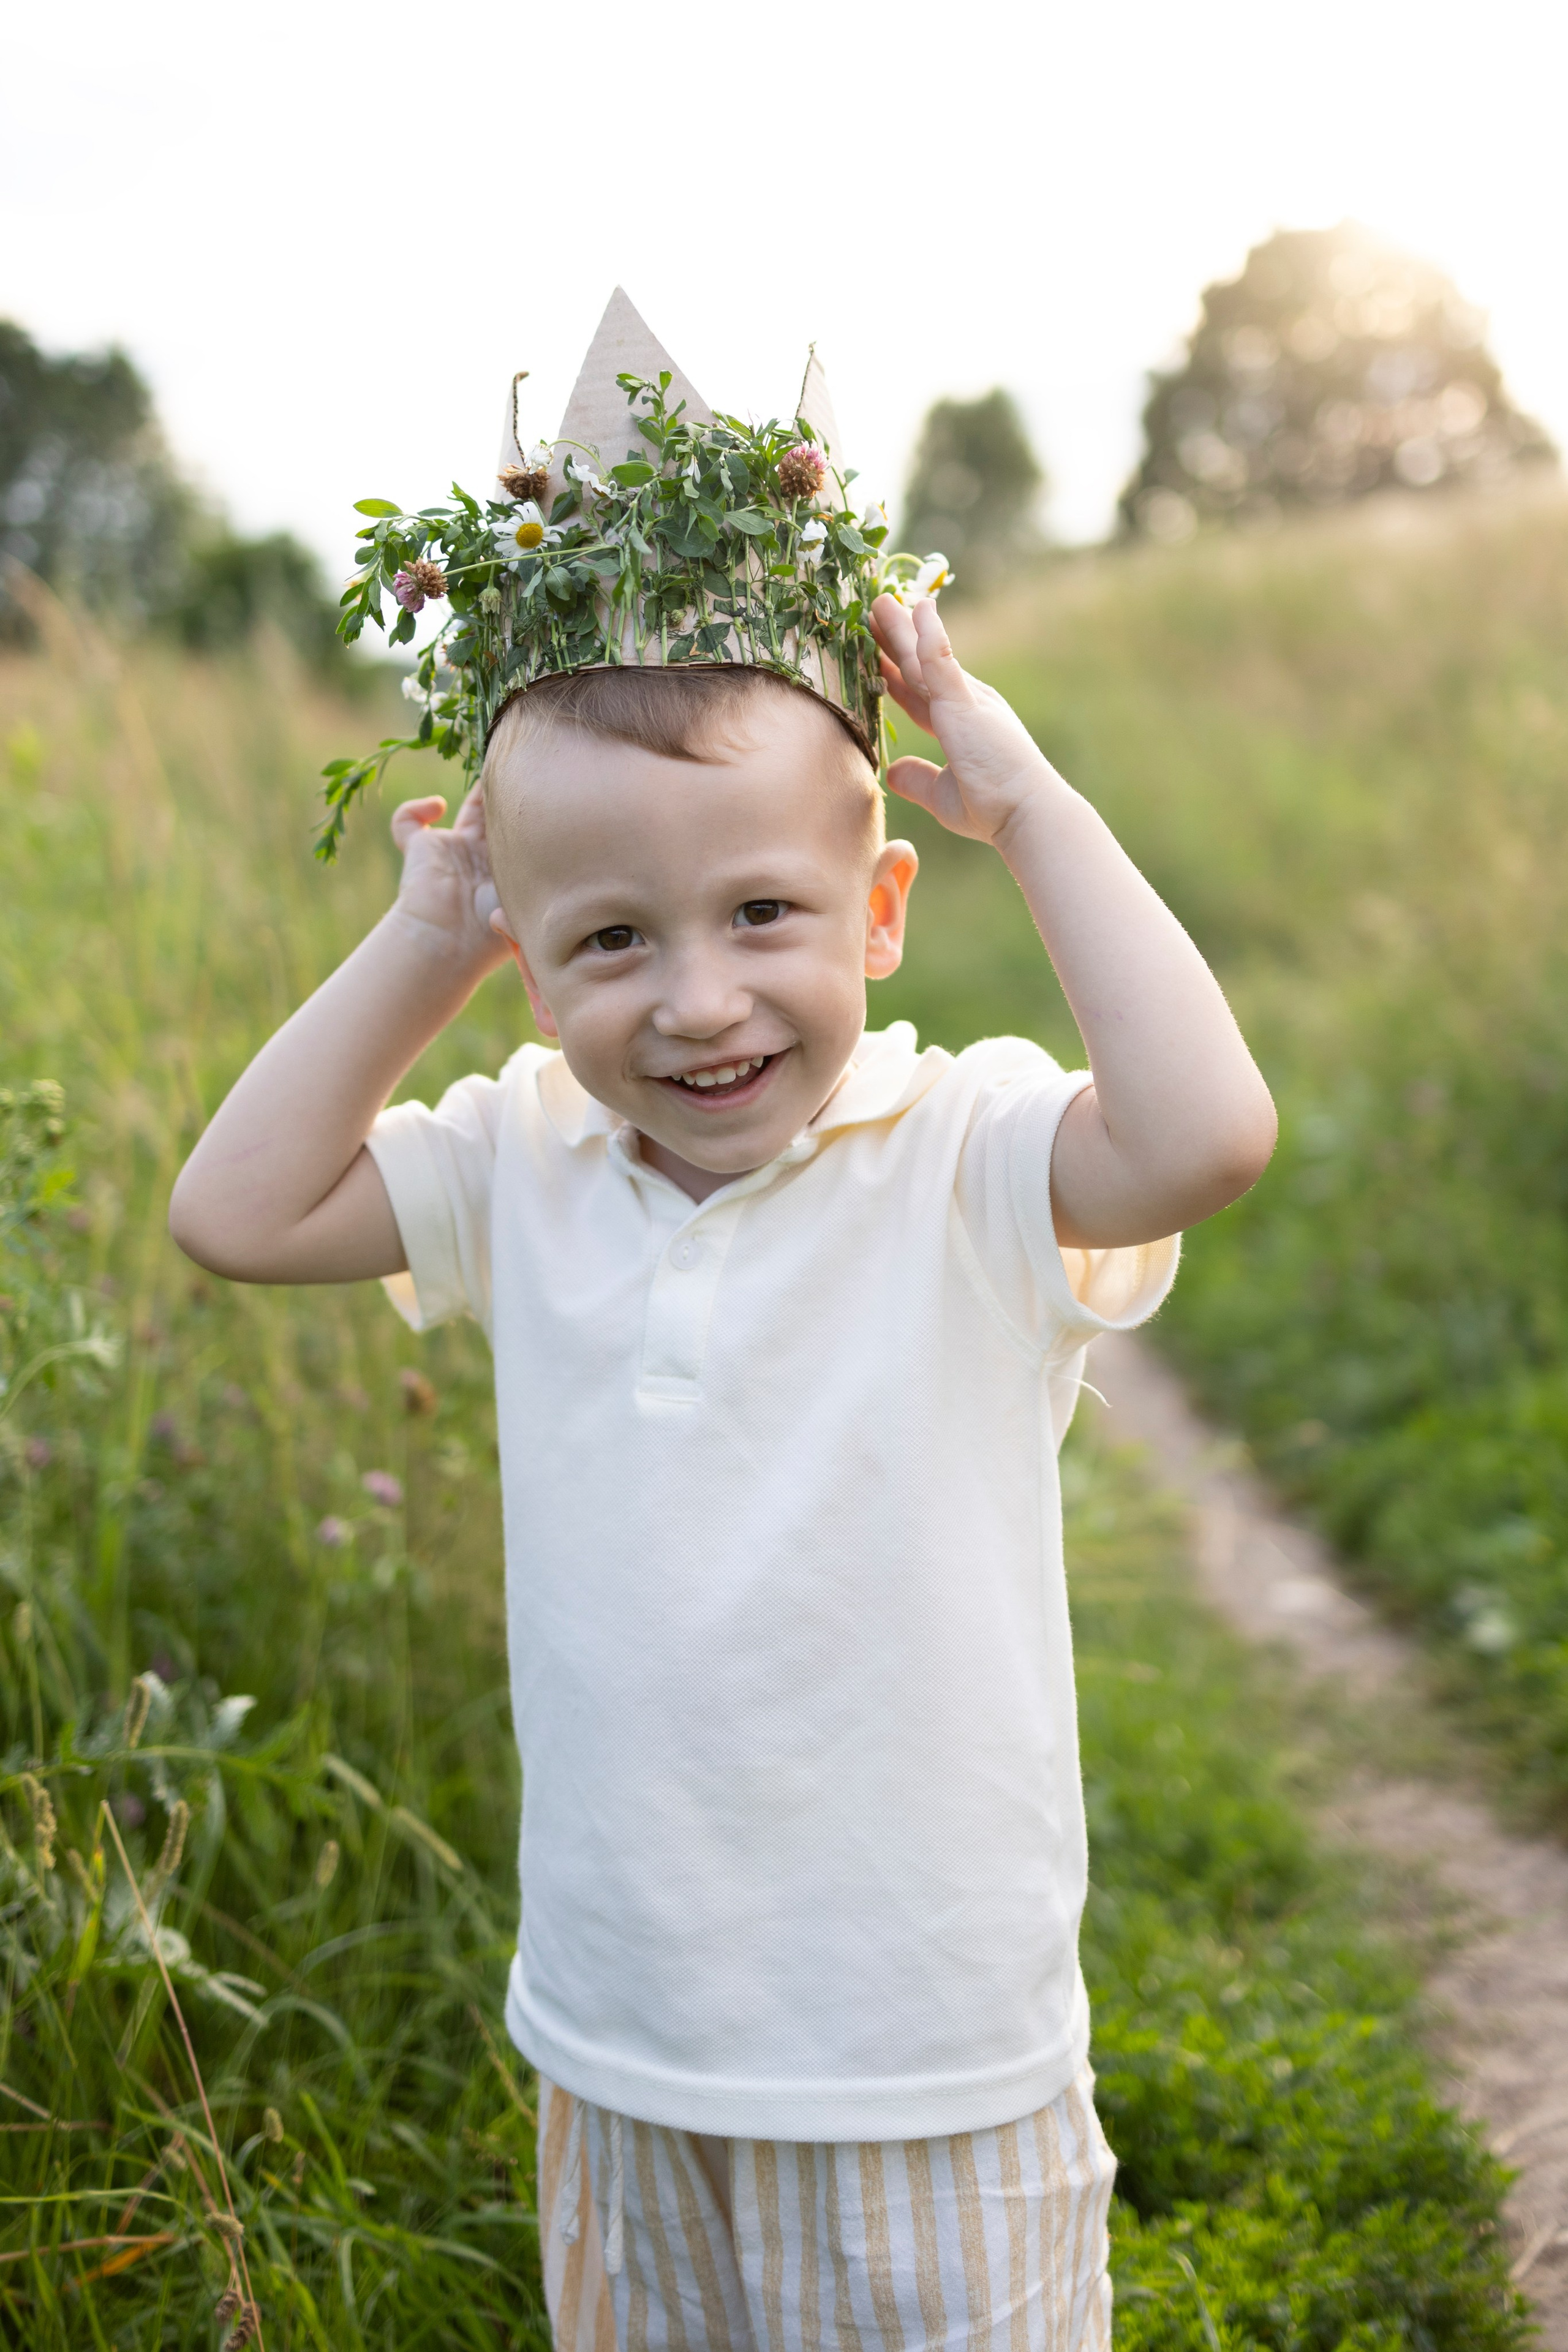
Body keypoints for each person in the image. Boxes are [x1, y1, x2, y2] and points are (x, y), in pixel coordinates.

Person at [170, 308, 1275, 2352]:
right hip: (621, 2040)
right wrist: (423, 937)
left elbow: (1206, 1132)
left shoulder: (962, 1161)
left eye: (764, 915)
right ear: (527, 965)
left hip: (923, 2054)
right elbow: (231, 1214)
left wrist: (1026, 803)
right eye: (608, 939)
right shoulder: (523, 1163)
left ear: (876, 916)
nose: (692, 1003)